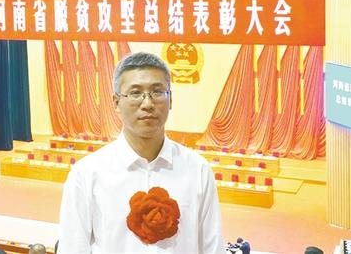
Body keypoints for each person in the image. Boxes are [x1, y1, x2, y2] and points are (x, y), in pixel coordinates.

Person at [58, 52, 225, 253]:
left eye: (157, 92)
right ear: (116, 102)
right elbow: (73, 248)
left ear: (171, 100)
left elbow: (212, 248)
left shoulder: (197, 170)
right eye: (136, 93)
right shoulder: (87, 174)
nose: (147, 104)